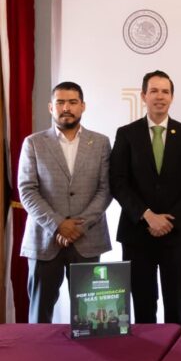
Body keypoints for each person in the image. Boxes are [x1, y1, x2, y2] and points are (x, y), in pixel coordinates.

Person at [110, 70, 181, 328]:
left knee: (176, 305)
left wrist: (169, 220)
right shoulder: (126, 134)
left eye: (165, 91)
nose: (159, 96)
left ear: (172, 97)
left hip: (177, 233)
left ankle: (176, 349)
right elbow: (118, 182)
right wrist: (147, 215)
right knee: (143, 305)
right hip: (136, 233)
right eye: (154, 91)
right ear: (143, 96)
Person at [18, 81, 112, 323]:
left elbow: (106, 189)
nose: (66, 108)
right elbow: (27, 190)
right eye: (60, 102)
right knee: (39, 316)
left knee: (91, 320)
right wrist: (58, 225)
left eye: (72, 102)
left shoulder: (101, 143)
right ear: (51, 107)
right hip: (44, 240)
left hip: (87, 240)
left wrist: (78, 227)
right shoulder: (33, 143)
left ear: (83, 106)